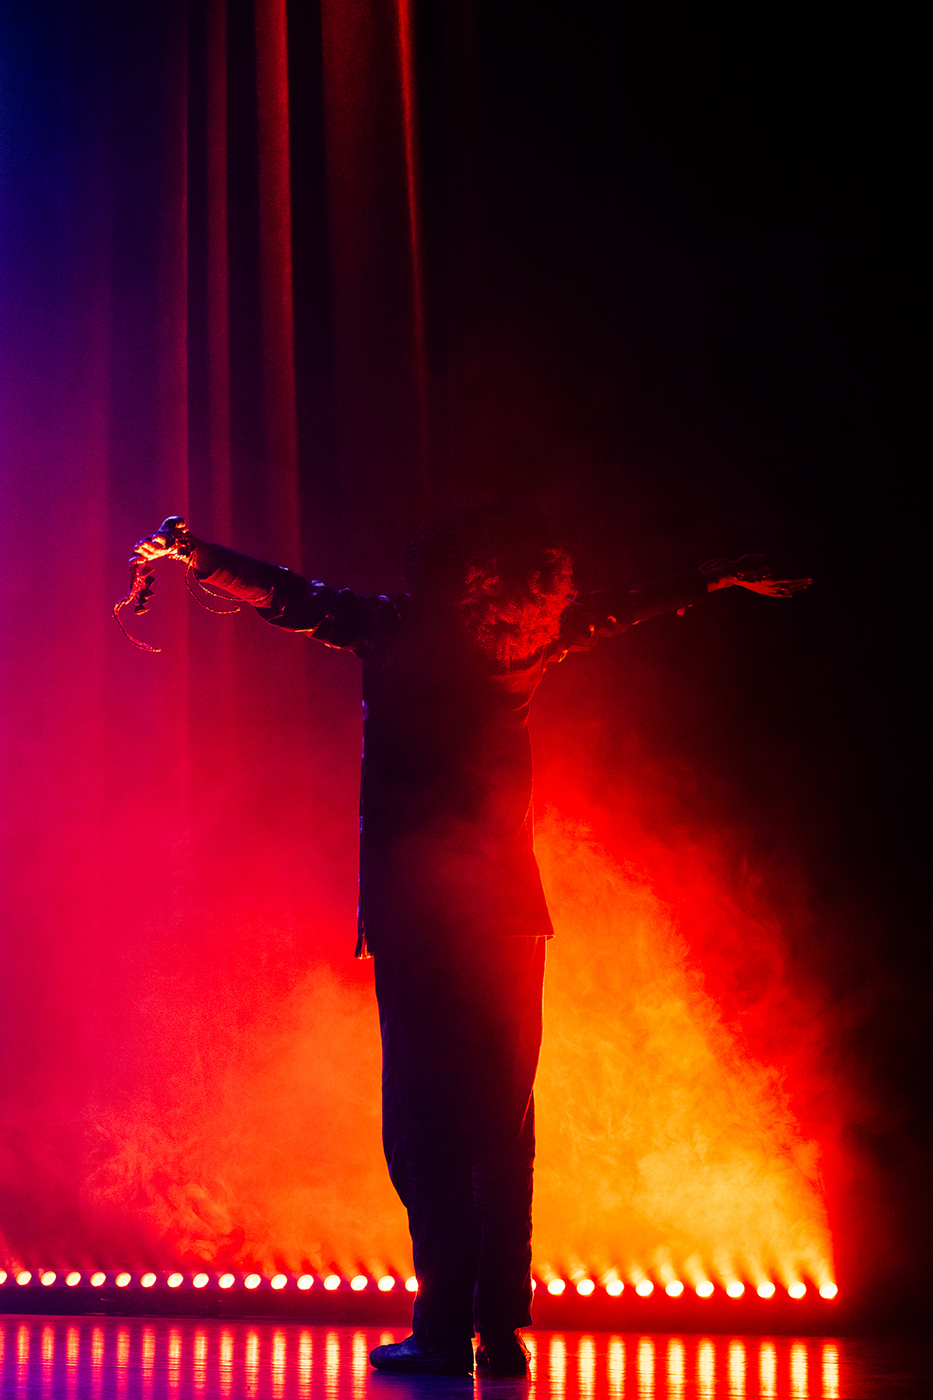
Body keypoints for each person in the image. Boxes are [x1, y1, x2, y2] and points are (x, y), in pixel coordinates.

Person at [130, 503, 810, 1376]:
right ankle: (498, 1332)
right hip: (507, 918)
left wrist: (193, 554)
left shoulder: (396, 629)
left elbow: (292, 596)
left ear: (440, 574)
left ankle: (445, 1331)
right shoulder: (526, 642)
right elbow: (619, 607)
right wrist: (713, 573)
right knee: (500, 1127)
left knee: (427, 1129)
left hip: (424, 916)